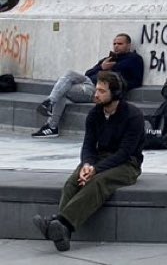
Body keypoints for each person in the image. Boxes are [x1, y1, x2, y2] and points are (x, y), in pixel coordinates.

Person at [31, 72, 145, 252]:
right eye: (96, 90)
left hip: (128, 164)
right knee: (72, 182)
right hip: (99, 158)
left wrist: (95, 170)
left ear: (115, 93)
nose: (96, 94)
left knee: (98, 181)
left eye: (101, 91)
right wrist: (86, 165)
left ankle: (60, 223)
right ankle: (63, 232)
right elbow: (88, 147)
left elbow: (124, 153)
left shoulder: (133, 116)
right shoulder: (94, 114)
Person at [33, 33, 145, 138]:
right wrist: (101, 67)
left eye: (120, 44)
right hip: (87, 81)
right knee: (69, 74)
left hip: (97, 90)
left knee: (62, 90)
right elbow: (88, 73)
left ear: (128, 45)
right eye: (114, 43)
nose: (116, 46)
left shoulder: (134, 59)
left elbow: (136, 81)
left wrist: (114, 90)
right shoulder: (108, 59)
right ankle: (50, 102)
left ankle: (52, 125)